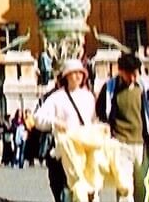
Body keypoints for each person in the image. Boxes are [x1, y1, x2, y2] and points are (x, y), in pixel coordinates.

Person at [96, 52, 149, 202]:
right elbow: (101, 113)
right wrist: (105, 127)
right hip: (120, 144)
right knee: (124, 185)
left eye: (136, 74)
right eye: (129, 74)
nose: (133, 77)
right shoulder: (109, 90)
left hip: (143, 144)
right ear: (120, 71)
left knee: (141, 184)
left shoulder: (148, 90)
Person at [33, 58, 98, 202]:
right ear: (66, 76)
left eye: (80, 73)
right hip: (64, 153)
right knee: (65, 193)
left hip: (84, 152)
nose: (78, 76)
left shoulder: (89, 97)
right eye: (74, 73)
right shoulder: (57, 97)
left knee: (87, 192)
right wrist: (55, 122)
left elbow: (93, 121)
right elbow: (38, 118)